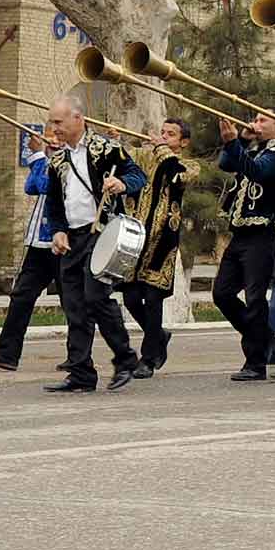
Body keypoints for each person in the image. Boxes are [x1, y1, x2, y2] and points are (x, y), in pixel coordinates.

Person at [39, 96, 147, 394]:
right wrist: (58, 231)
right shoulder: (57, 160)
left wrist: (121, 184)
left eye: (58, 122)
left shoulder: (106, 149)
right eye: (52, 122)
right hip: (73, 238)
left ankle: (125, 358)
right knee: (73, 305)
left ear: (78, 119)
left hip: (103, 231)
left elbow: (139, 176)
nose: (54, 128)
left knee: (96, 296)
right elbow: (54, 203)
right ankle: (81, 372)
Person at [213, 110, 275, 381]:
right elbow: (226, 164)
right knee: (221, 294)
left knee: (255, 298)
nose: (256, 124)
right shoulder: (256, 149)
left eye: (262, 121)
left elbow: (258, 172)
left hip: (262, 235)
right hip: (240, 235)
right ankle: (264, 336)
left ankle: (255, 362)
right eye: (256, 120)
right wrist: (240, 141)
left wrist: (236, 143)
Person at [0, 129, 61, 372]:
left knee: (75, 304)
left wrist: (37, 157)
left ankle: (90, 358)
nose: (51, 139)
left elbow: (47, 185)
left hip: (61, 242)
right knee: (22, 296)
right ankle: (7, 354)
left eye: (56, 133)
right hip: (38, 244)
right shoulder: (48, 161)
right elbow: (31, 187)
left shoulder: (70, 161)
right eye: (48, 133)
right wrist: (40, 158)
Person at [119, 118, 197, 377]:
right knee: (130, 297)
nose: (163, 137)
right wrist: (115, 140)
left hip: (163, 239)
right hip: (136, 237)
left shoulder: (187, 165)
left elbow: (176, 174)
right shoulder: (145, 157)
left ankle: (149, 358)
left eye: (171, 134)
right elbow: (123, 164)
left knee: (153, 298)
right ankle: (159, 335)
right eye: (162, 132)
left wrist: (161, 148)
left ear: (183, 142)